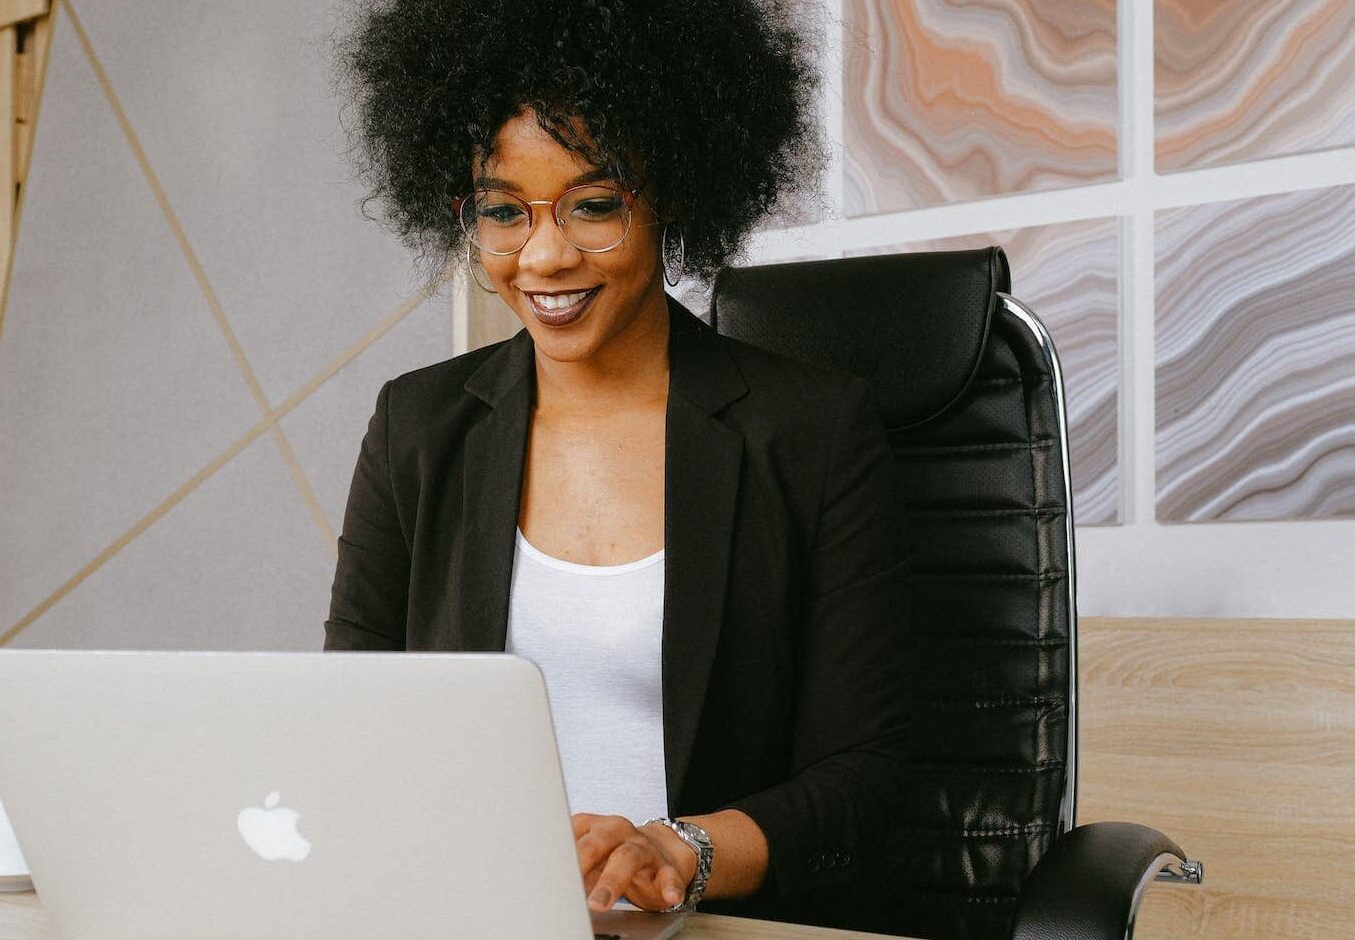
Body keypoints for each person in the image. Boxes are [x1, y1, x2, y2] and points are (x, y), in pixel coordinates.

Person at [324, 0, 913, 928]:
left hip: (715, 923)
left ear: (672, 191)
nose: (546, 255)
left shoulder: (814, 431)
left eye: (595, 206)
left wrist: (681, 847)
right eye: (503, 213)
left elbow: (869, 778)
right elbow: (352, 718)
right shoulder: (420, 425)